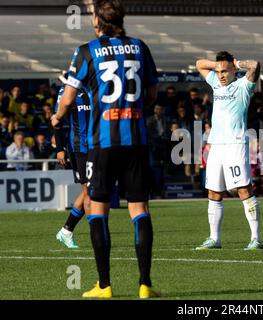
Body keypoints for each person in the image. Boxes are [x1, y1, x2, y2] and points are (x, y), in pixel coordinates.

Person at [51, 0, 159, 299]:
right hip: (136, 141)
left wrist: (58, 118)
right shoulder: (140, 47)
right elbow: (151, 94)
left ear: (98, 21)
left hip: (103, 143)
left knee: (98, 209)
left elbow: (69, 97)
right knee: (140, 209)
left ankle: (104, 285)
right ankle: (145, 284)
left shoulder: (87, 50)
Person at [195, 51, 263, 250]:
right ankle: (214, 239)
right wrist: (217, 65)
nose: (222, 75)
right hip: (216, 146)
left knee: (243, 189)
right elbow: (199, 63)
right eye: (219, 71)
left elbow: (256, 64)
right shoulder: (216, 82)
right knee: (214, 192)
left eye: (225, 71)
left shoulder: (243, 85)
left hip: (235, 144)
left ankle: (255, 238)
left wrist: (237, 63)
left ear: (234, 70)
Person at [54, 78, 91, 249]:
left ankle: (66, 230)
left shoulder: (96, 88)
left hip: (99, 145)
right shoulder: (68, 91)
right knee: (89, 191)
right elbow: (57, 120)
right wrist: (59, 148)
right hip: (79, 147)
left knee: (92, 191)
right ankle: (97, 235)